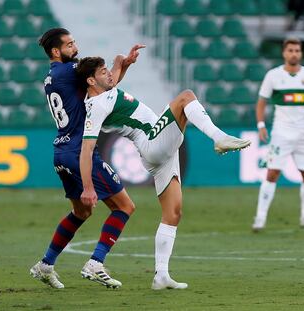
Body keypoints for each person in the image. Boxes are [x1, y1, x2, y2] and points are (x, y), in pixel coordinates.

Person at [76, 56, 251, 290]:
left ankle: (161, 276)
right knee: (185, 97)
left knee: (173, 213)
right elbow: (87, 148)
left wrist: (122, 64)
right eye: (103, 71)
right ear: (90, 80)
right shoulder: (97, 106)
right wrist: (88, 187)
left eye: (108, 70)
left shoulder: (104, 94)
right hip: (152, 141)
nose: (109, 74)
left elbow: (110, 83)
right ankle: (219, 138)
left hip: (158, 152)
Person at [29, 28, 145, 289]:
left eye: (74, 42)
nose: (75, 47)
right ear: (56, 51)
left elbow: (105, 85)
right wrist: (118, 64)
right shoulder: (70, 72)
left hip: (61, 151)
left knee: (81, 211)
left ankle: (45, 265)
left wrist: (121, 66)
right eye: (69, 45)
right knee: (125, 206)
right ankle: (96, 263)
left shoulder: (53, 76)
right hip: (79, 151)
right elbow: (106, 83)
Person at [252, 37, 304, 232]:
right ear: (284, 53)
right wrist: (261, 125)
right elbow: (261, 102)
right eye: (290, 50)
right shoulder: (273, 76)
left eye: (297, 51)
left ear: (301, 53)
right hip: (281, 133)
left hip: (303, 134)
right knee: (272, 172)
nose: (294, 54)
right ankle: (260, 218)